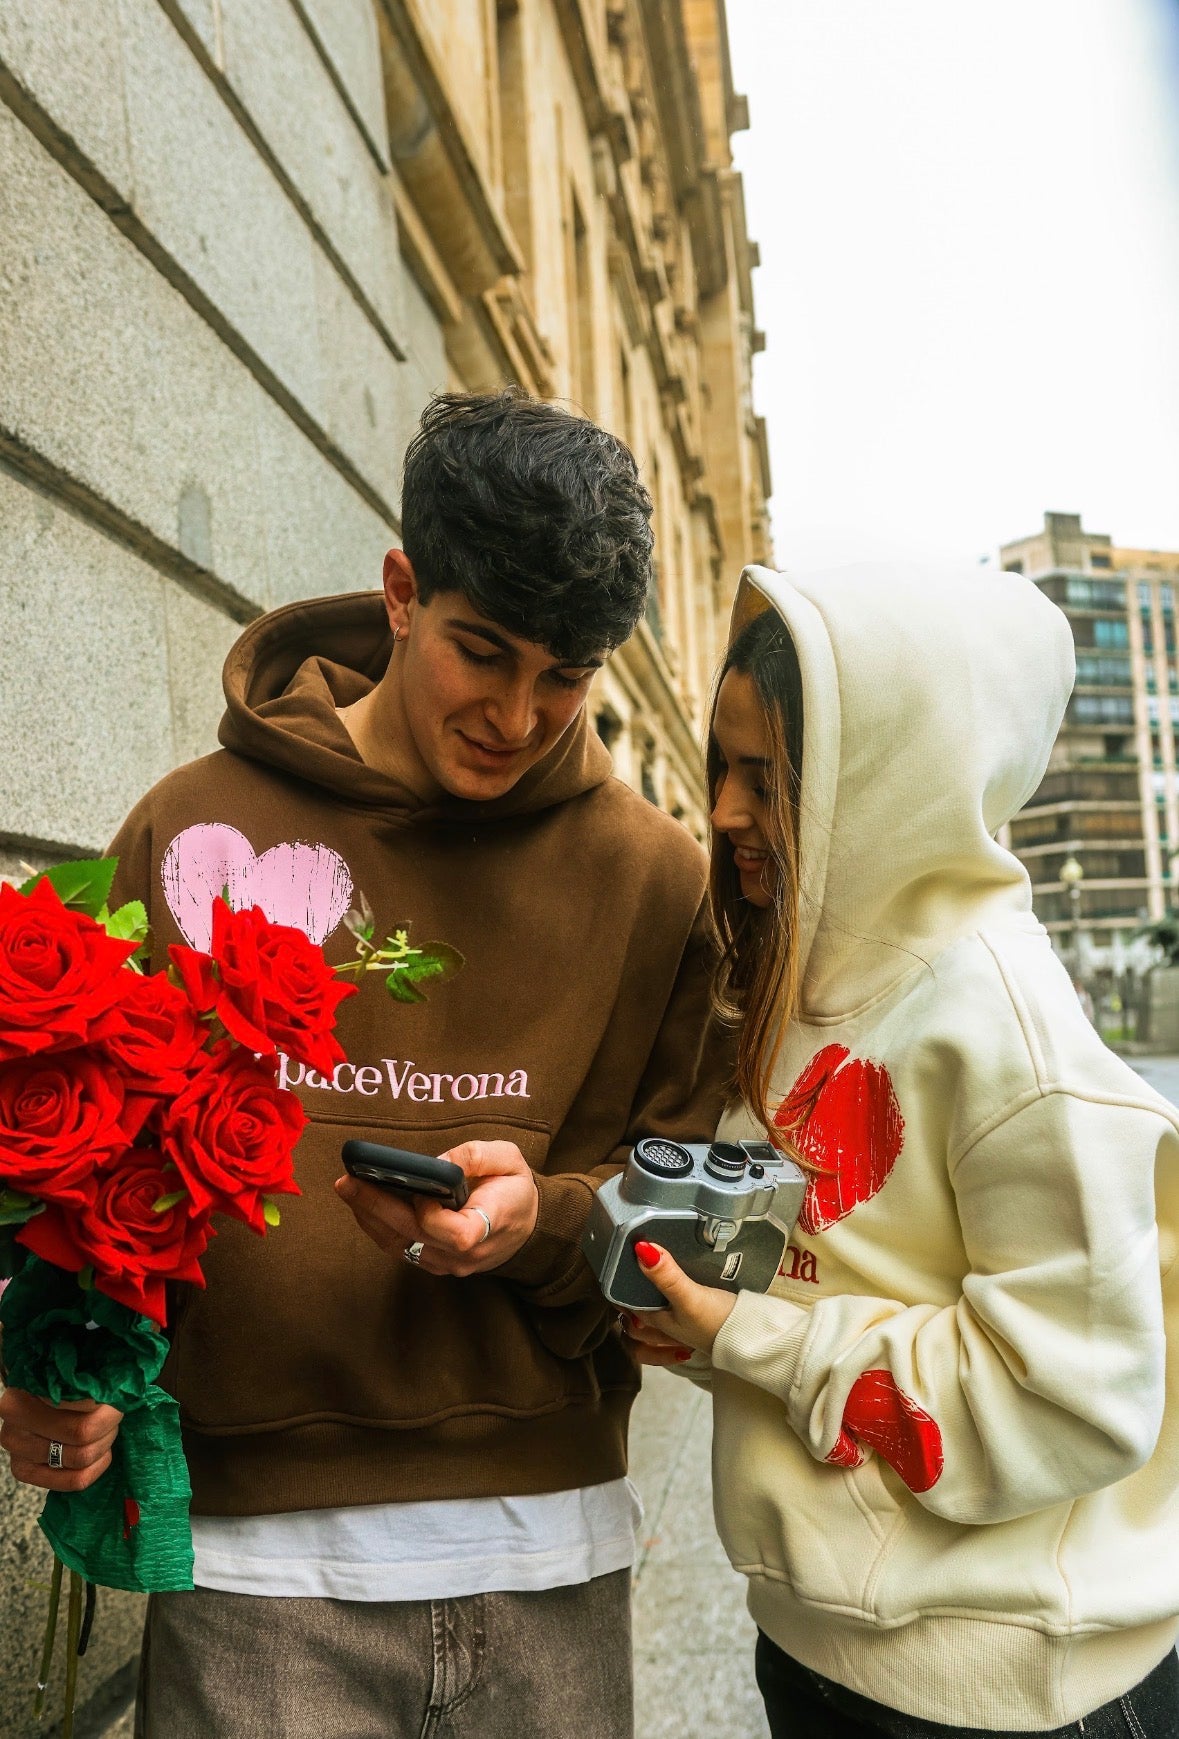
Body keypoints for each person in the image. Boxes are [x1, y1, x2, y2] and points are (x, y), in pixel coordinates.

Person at [0, 389, 728, 1738]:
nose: (516, 713)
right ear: (402, 591)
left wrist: (540, 1220)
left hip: (547, 1561)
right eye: (483, 650)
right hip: (254, 1583)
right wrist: (45, 1359)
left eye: (563, 674)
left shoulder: (651, 879)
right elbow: (74, 1153)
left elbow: (682, 1223)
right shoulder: (193, 823)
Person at [624, 563, 1179, 1738]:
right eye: (723, 767)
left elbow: (1077, 1401)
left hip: (1001, 1692)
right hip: (826, 1655)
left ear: (885, 785)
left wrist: (754, 1336)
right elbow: (839, 1267)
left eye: (765, 781)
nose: (722, 812)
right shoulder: (805, 980)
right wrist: (705, 1322)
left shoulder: (1007, 1032)